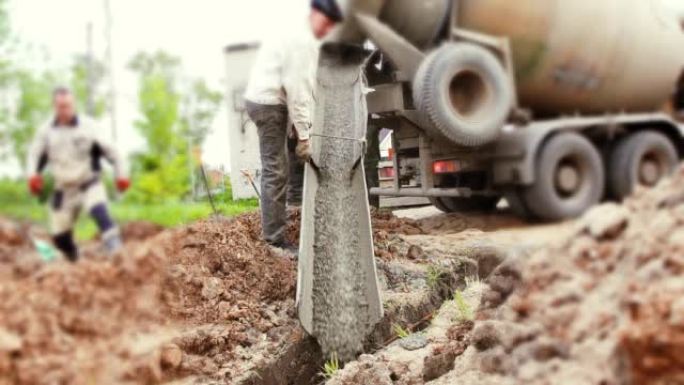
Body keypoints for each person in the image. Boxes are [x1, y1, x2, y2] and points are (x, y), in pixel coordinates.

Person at [244, 0, 342, 254]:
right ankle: (274, 241)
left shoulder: (301, 34)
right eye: (327, 23)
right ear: (315, 13)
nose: (327, 29)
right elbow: (298, 92)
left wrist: (299, 131)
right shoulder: (302, 42)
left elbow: (302, 92)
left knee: (290, 160)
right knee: (276, 170)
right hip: (269, 104)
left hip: (275, 101)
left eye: (332, 26)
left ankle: (295, 209)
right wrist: (305, 136)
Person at [27, 87, 130, 261]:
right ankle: (74, 263)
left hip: (89, 183)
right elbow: (34, 155)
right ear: (55, 106)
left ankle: (118, 255)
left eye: (68, 106)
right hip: (63, 189)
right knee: (60, 238)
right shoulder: (45, 132)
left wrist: (122, 174)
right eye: (61, 106)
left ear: (73, 105)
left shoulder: (89, 126)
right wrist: (32, 175)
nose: (65, 110)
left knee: (100, 212)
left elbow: (113, 151)